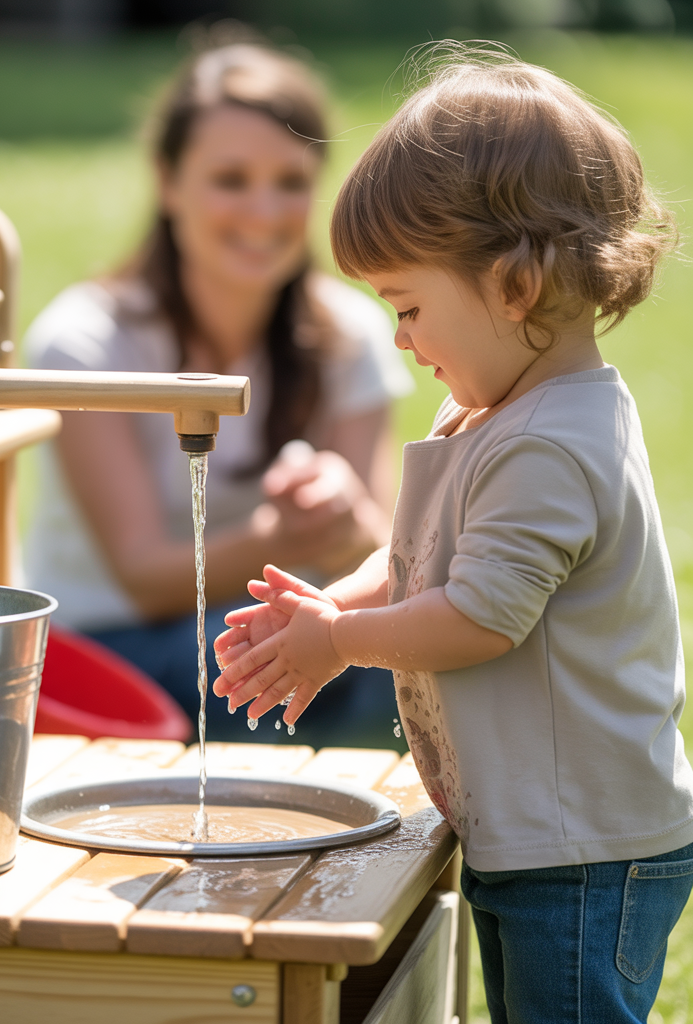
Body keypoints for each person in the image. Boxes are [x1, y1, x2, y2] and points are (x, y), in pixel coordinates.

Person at [213, 47, 693, 1022]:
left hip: (587, 846)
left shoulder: (550, 446)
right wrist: (328, 607)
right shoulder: (486, 412)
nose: (399, 337)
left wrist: (338, 643)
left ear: (512, 288)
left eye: (408, 306)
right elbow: (419, 563)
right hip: (535, 827)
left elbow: (479, 617)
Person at [23, 41, 413, 747]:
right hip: (110, 651)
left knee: (415, 650)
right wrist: (281, 538)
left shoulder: (350, 332)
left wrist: (344, 512)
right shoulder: (86, 341)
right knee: (323, 668)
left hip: (268, 627)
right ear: (169, 182)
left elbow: (383, 550)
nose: (264, 210)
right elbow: (140, 575)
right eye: (230, 179)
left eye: (290, 181)